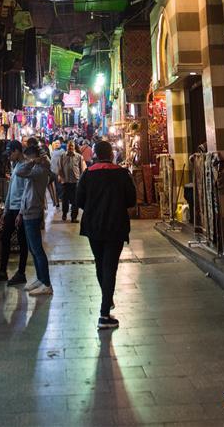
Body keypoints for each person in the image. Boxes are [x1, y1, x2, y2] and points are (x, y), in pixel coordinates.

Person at [76, 140, 137, 330]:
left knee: (100, 263)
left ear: (95, 154)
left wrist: (94, 208)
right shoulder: (122, 174)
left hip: (94, 225)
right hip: (116, 225)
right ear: (111, 154)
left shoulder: (88, 174)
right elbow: (131, 201)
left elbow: (79, 200)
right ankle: (104, 313)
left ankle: (106, 299)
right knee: (110, 266)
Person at [0, 141, 28, 285]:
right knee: (5, 238)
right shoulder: (16, 166)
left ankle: (21, 273)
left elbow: (26, 192)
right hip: (12, 209)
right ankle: (2, 270)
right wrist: (6, 209)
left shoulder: (25, 167)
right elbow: (11, 190)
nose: (8, 156)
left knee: (23, 241)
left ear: (17, 151)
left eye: (10, 153)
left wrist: (21, 213)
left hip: (20, 210)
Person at [13, 146, 53, 295]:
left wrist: (33, 162)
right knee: (33, 249)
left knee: (37, 249)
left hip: (33, 211)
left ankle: (46, 283)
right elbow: (26, 191)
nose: (26, 161)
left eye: (27, 158)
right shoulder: (36, 169)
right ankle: (40, 278)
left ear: (33, 157)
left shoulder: (39, 170)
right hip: (28, 211)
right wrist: (21, 213)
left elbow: (19, 172)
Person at [58, 139, 86, 223]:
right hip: (65, 182)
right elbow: (60, 168)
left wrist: (81, 180)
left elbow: (82, 169)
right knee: (65, 200)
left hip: (75, 182)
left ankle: (74, 217)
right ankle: (64, 213)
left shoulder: (79, 157)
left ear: (74, 147)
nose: (70, 147)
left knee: (75, 201)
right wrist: (62, 178)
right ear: (67, 147)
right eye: (69, 146)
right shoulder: (62, 156)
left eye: (72, 146)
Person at [50, 140, 65, 208]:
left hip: (59, 172)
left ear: (60, 144)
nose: (57, 144)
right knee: (55, 187)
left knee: (59, 186)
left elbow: (63, 163)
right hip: (53, 172)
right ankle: (56, 201)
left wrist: (60, 173)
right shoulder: (53, 151)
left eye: (58, 143)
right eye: (56, 143)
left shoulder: (62, 151)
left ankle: (60, 199)